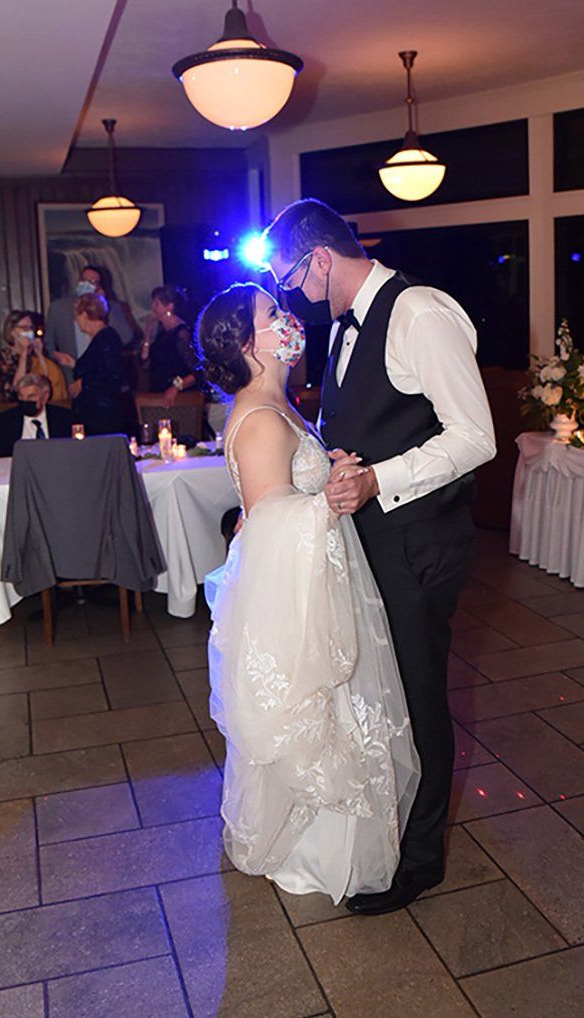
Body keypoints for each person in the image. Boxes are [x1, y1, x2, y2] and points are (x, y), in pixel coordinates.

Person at [264, 198, 496, 915]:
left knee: (420, 695)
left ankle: (421, 863)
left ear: (320, 258)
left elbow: (475, 436)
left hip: (422, 538)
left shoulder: (418, 312)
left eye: (290, 278)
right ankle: (390, 833)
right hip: (373, 539)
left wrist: (377, 480)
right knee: (384, 691)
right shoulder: (344, 325)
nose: (292, 296)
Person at [198, 282, 420, 905]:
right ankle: (314, 854)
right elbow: (271, 520)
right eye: (273, 314)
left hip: (315, 576)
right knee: (316, 709)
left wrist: (328, 472)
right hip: (293, 590)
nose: (289, 319)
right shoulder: (262, 420)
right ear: (249, 343)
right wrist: (329, 496)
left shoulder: (279, 404)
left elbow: (276, 499)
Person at [44, 265, 135, 383]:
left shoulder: (112, 307)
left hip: (101, 378)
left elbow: (126, 337)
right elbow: (48, 344)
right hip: (69, 377)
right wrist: (58, 360)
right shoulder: (58, 308)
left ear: (99, 286)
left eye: (92, 282)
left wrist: (103, 305)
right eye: (83, 280)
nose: (86, 285)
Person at [53, 293, 124, 436]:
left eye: (76, 316)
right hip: (98, 413)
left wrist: (82, 384)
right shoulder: (101, 339)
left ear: (84, 315)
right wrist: (73, 363)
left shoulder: (106, 339)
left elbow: (111, 374)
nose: (75, 321)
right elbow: (97, 367)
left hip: (103, 416)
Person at [139, 285, 198, 408]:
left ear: (170, 306)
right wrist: (148, 332)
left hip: (178, 397)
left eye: (157, 303)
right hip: (159, 391)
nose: (152, 307)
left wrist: (176, 387)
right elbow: (145, 361)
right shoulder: (163, 333)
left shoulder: (182, 333)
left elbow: (197, 370)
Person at [0, 310, 68, 403]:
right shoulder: (3, 356)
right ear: (12, 331)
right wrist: (24, 353)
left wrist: (40, 355)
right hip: (15, 404)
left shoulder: (33, 355)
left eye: (31, 327)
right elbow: (16, 388)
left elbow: (46, 380)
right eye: (24, 328)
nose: (28, 331)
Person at [0, 374, 74, 457]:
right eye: (21, 396)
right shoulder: (5, 421)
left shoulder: (64, 418)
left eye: (31, 396)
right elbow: (2, 457)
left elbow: (71, 452)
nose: (25, 401)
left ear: (45, 396)